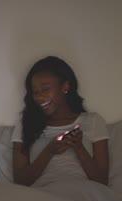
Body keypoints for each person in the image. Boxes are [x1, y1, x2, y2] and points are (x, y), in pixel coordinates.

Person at [11, 56, 109, 188]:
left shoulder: (93, 121)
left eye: (45, 89)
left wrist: (79, 147)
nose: (39, 96)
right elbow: (21, 181)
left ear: (65, 87)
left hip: (84, 194)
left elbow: (102, 181)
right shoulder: (26, 124)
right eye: (35, 92)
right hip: (43, 197)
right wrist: (49, 151)